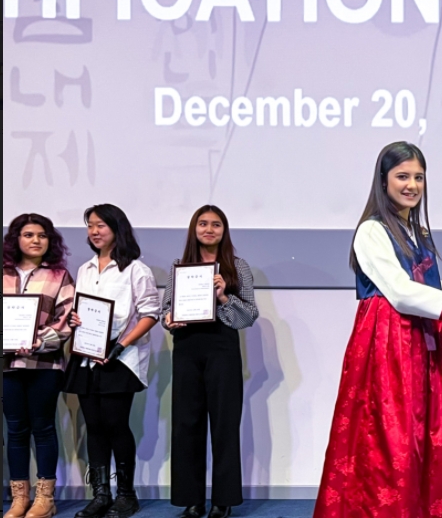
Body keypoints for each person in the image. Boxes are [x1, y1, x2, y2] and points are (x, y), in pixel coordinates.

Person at [313, 141, 442, 517]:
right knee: (390, 439)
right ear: (383, 180)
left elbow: (422, 289)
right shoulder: (372, 231)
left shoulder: (417, 231)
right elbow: (399, 292)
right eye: (403, 176)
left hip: (421, 338)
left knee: (428, 434)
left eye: (419, 177)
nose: (412, 185)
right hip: (388, 342)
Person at [63, 205, 161, 518]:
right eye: (90, 225)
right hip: (87, 356)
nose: (94, 231)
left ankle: (126, 495)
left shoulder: (136, 270)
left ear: (117, 228)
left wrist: (120, 346)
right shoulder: (85, 269)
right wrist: (75, 319)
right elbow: (83, 310)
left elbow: (150, 314)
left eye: (101, 225)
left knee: (116, 425)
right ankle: (101, 495)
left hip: (121, 357)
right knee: (93, 426)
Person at [161, 205, 259, 518]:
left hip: (222, 350)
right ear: (194, 229)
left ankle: (223, 499)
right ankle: (191, 499)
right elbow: (166, 310)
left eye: (216, 224)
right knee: (186, 424)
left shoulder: (237, 267)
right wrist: (169, 319)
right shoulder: (180, 267)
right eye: (203, 224)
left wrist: (224, 297)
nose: (209, 229)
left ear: (224, 230)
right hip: (187, 349)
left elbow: (249, 316)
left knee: (224, 424)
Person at [3, 214, 76, 518]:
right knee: (15, 430)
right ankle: (19, 499)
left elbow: (66, 320)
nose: (36, 240)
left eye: (42, 235)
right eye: (29, 234)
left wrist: (38, 342)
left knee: (43, 428)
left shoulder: (59, 276)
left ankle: (45, 499)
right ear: (16, 239)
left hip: (45, 364)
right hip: (7, 365)